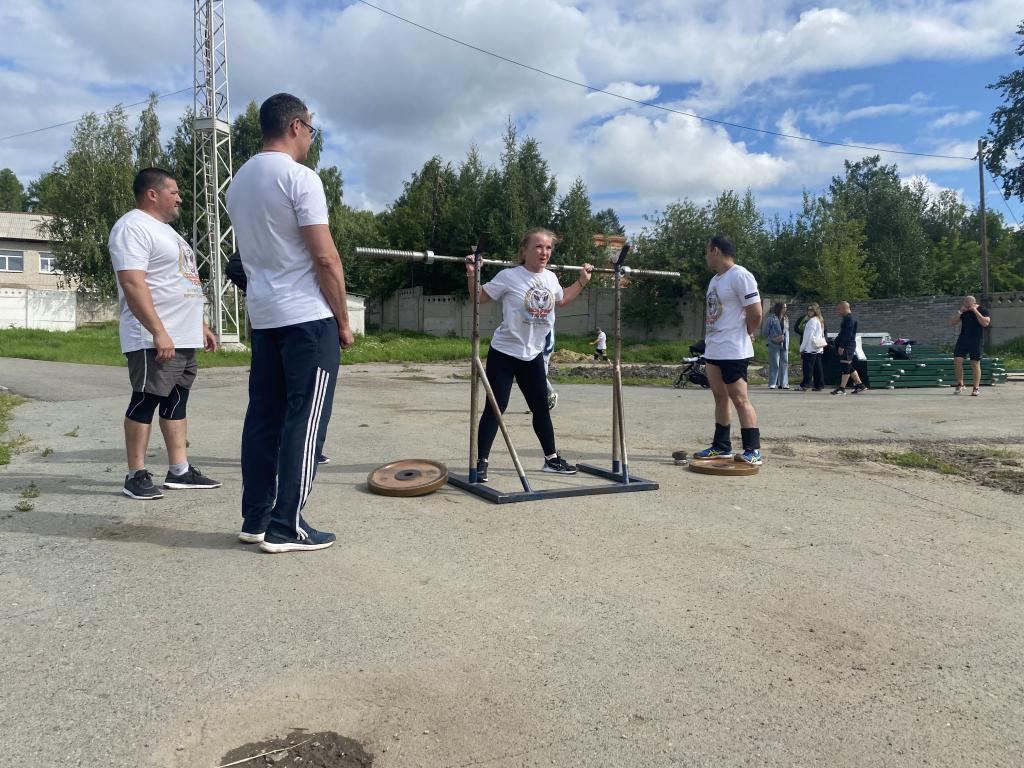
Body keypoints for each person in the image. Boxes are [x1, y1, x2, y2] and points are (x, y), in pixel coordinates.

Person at [226, 93, 355, 553]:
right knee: (306, 418)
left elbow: (249, 257)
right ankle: (286, 525)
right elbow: (325, 257)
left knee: (263, 417)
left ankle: (256, 517)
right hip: (307, 318)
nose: (311, 139)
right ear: (296, 126)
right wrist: (343, 320)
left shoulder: (237, 184)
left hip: (265, 318)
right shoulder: (300, 178)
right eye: (312, 130)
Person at [109, 168, 222, 500]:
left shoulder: (169, 233)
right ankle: (135, 474)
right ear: (152, 194)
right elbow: (133, 282)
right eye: (174, 192)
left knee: (176, 400)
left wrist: (198, 325)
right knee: (145, 400)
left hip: (182, 335)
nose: (180, 198)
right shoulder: (133, 226)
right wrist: (158, 331)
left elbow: (178, 281)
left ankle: (179, 470)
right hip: (153, 337)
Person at [466, 228, 593, 482]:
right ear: (524, 251)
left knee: (541, 407)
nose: (544, 252)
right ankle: (481, 463)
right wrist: (472, 273)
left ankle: (551, 459)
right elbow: (478, 297)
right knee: (496, 407)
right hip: (505, 352)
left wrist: (581, 281)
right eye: (538, 247)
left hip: (532, 353)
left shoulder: (551, 278)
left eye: (548, 248)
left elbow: (561, 300)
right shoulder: (509, 276)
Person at [693, 235, 763, 465]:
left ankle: (753, 450)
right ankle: (721, 446)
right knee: (720, 397)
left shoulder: (740, 275)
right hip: (714, 348)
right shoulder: (714, 280)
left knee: (740, 399)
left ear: (715, 251)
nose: (706, 257)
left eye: (707, 251)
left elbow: (756, 312)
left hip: (733, 349)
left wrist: (747, 332)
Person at [950, 295, 991, 396]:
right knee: (957, 360)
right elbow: (952, 322)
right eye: (965, 303)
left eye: (968, 304)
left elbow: (985, 323)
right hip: (963, 339)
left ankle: (976, 388)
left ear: (973, 303)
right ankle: (960, 384)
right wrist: (960, 312)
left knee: (975, 363)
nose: (966, 306)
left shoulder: (982, 310)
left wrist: (975, 311)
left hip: (976, 340)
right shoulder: (964, 311)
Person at [830, 301, 866, 395]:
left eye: (839, 309)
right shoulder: (848, 318)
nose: (838, 311)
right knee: (848, 365)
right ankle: (860, 385)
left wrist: (842, 346)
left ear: (845, 308)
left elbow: (847, 334)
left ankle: (842, 388)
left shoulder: (849, 319)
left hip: (847, 345)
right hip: (848, 344)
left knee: (845, 365)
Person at [797, 303, 826, 391]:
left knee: (808, 368)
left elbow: (808, 336)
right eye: (808, 310)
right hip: (817, 348)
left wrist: (802, 348)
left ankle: (805, 384)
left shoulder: (812, 321)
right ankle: (819, 384)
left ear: (815, 311)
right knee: (817, 367)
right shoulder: (820, 320)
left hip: (810, 348)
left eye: (811, 310)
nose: (809, 312)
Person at [765, 302, 790, 389]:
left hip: (784, 343)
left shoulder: (786, 318)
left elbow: (787, 331)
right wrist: (773, 338)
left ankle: (784, 383)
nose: (785, 309)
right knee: (775, 363)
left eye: (786, 307)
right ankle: (773, 383)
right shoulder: (771, 319)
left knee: (784, 362)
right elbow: (765, 332)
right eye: (784, 307)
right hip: (774, 343)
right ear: (779, 308)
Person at [542, 329, 558, 410]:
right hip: (534, 351)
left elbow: (550, 335)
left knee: (540, 376)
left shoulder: (547, 322)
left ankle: (551, 394)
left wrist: (547, 350)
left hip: (543, 352)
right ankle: (536, 404)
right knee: (533, 377)